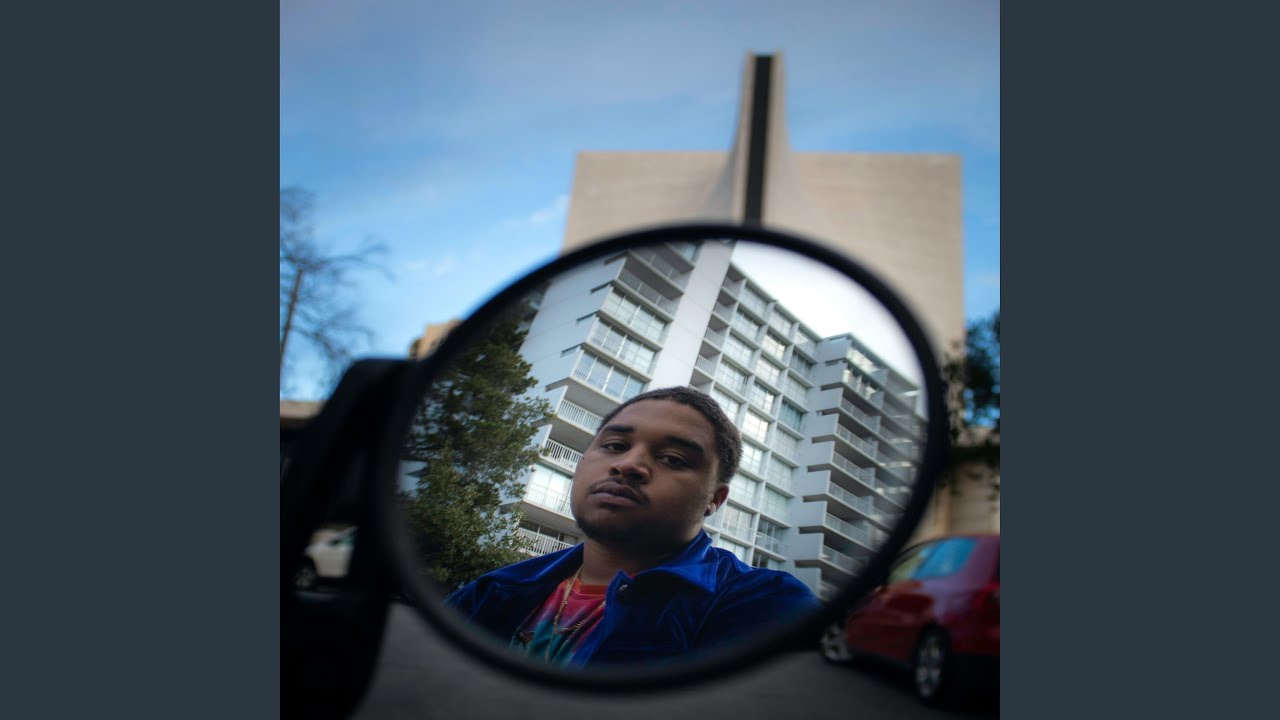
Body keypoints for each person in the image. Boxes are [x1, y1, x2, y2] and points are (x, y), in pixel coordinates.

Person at [445, 386, 821, 667]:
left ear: (715, 499)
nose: (628, 465)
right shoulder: (490, 593)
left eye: (672, 458)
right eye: (614, 445)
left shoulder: (767, 606)